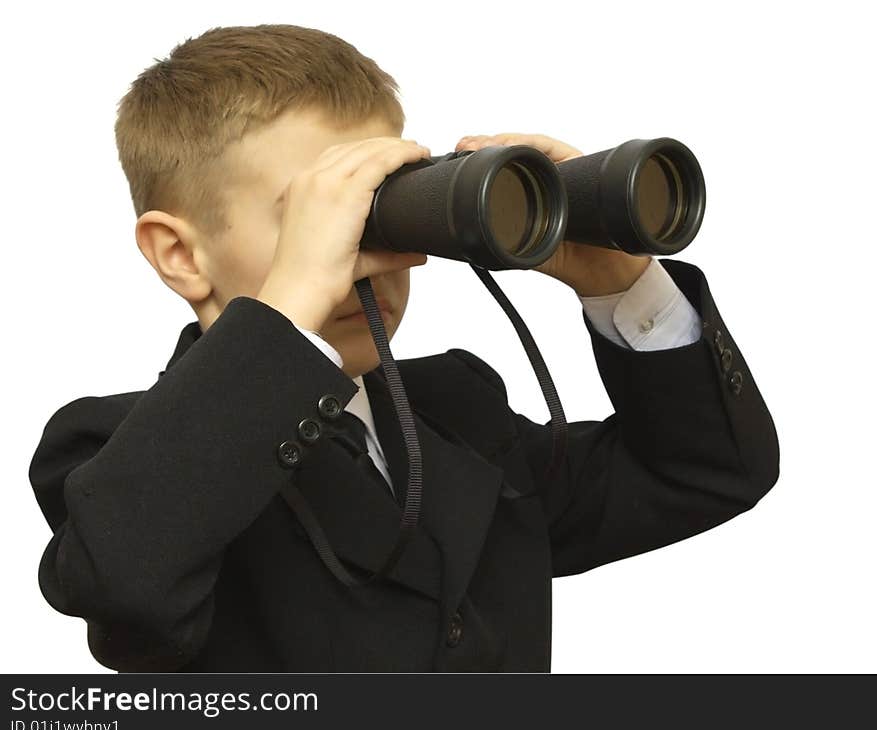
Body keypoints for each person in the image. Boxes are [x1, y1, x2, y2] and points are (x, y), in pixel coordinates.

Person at [28, 24, 779, 672]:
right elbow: (126, 586)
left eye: (392, 206)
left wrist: (619, 279)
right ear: (180, 255)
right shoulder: (107, 449)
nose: (381, 255)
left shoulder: (459, 412)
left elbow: (707, 472)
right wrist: (292, 302)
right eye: (322, 213)